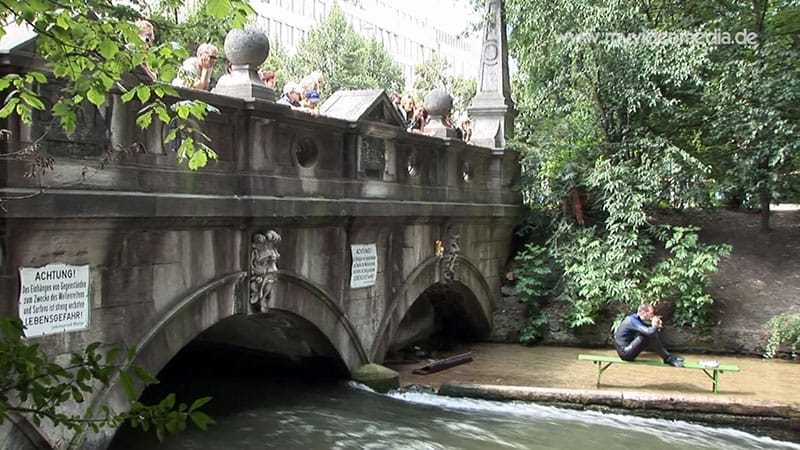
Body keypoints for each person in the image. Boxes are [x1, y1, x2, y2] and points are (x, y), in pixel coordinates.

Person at [614, 303, 684, 367]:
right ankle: (667, 358)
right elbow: (650, 332)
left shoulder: (636, 319)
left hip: (628, 349)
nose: (652, 316)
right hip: (625, 353)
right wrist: (654, 325)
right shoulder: (631, 320)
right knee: (648, 335)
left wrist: (656, 325)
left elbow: (650, 329)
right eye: (651, 314)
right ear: (643, 313)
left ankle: (667, 357)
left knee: (650, 333)